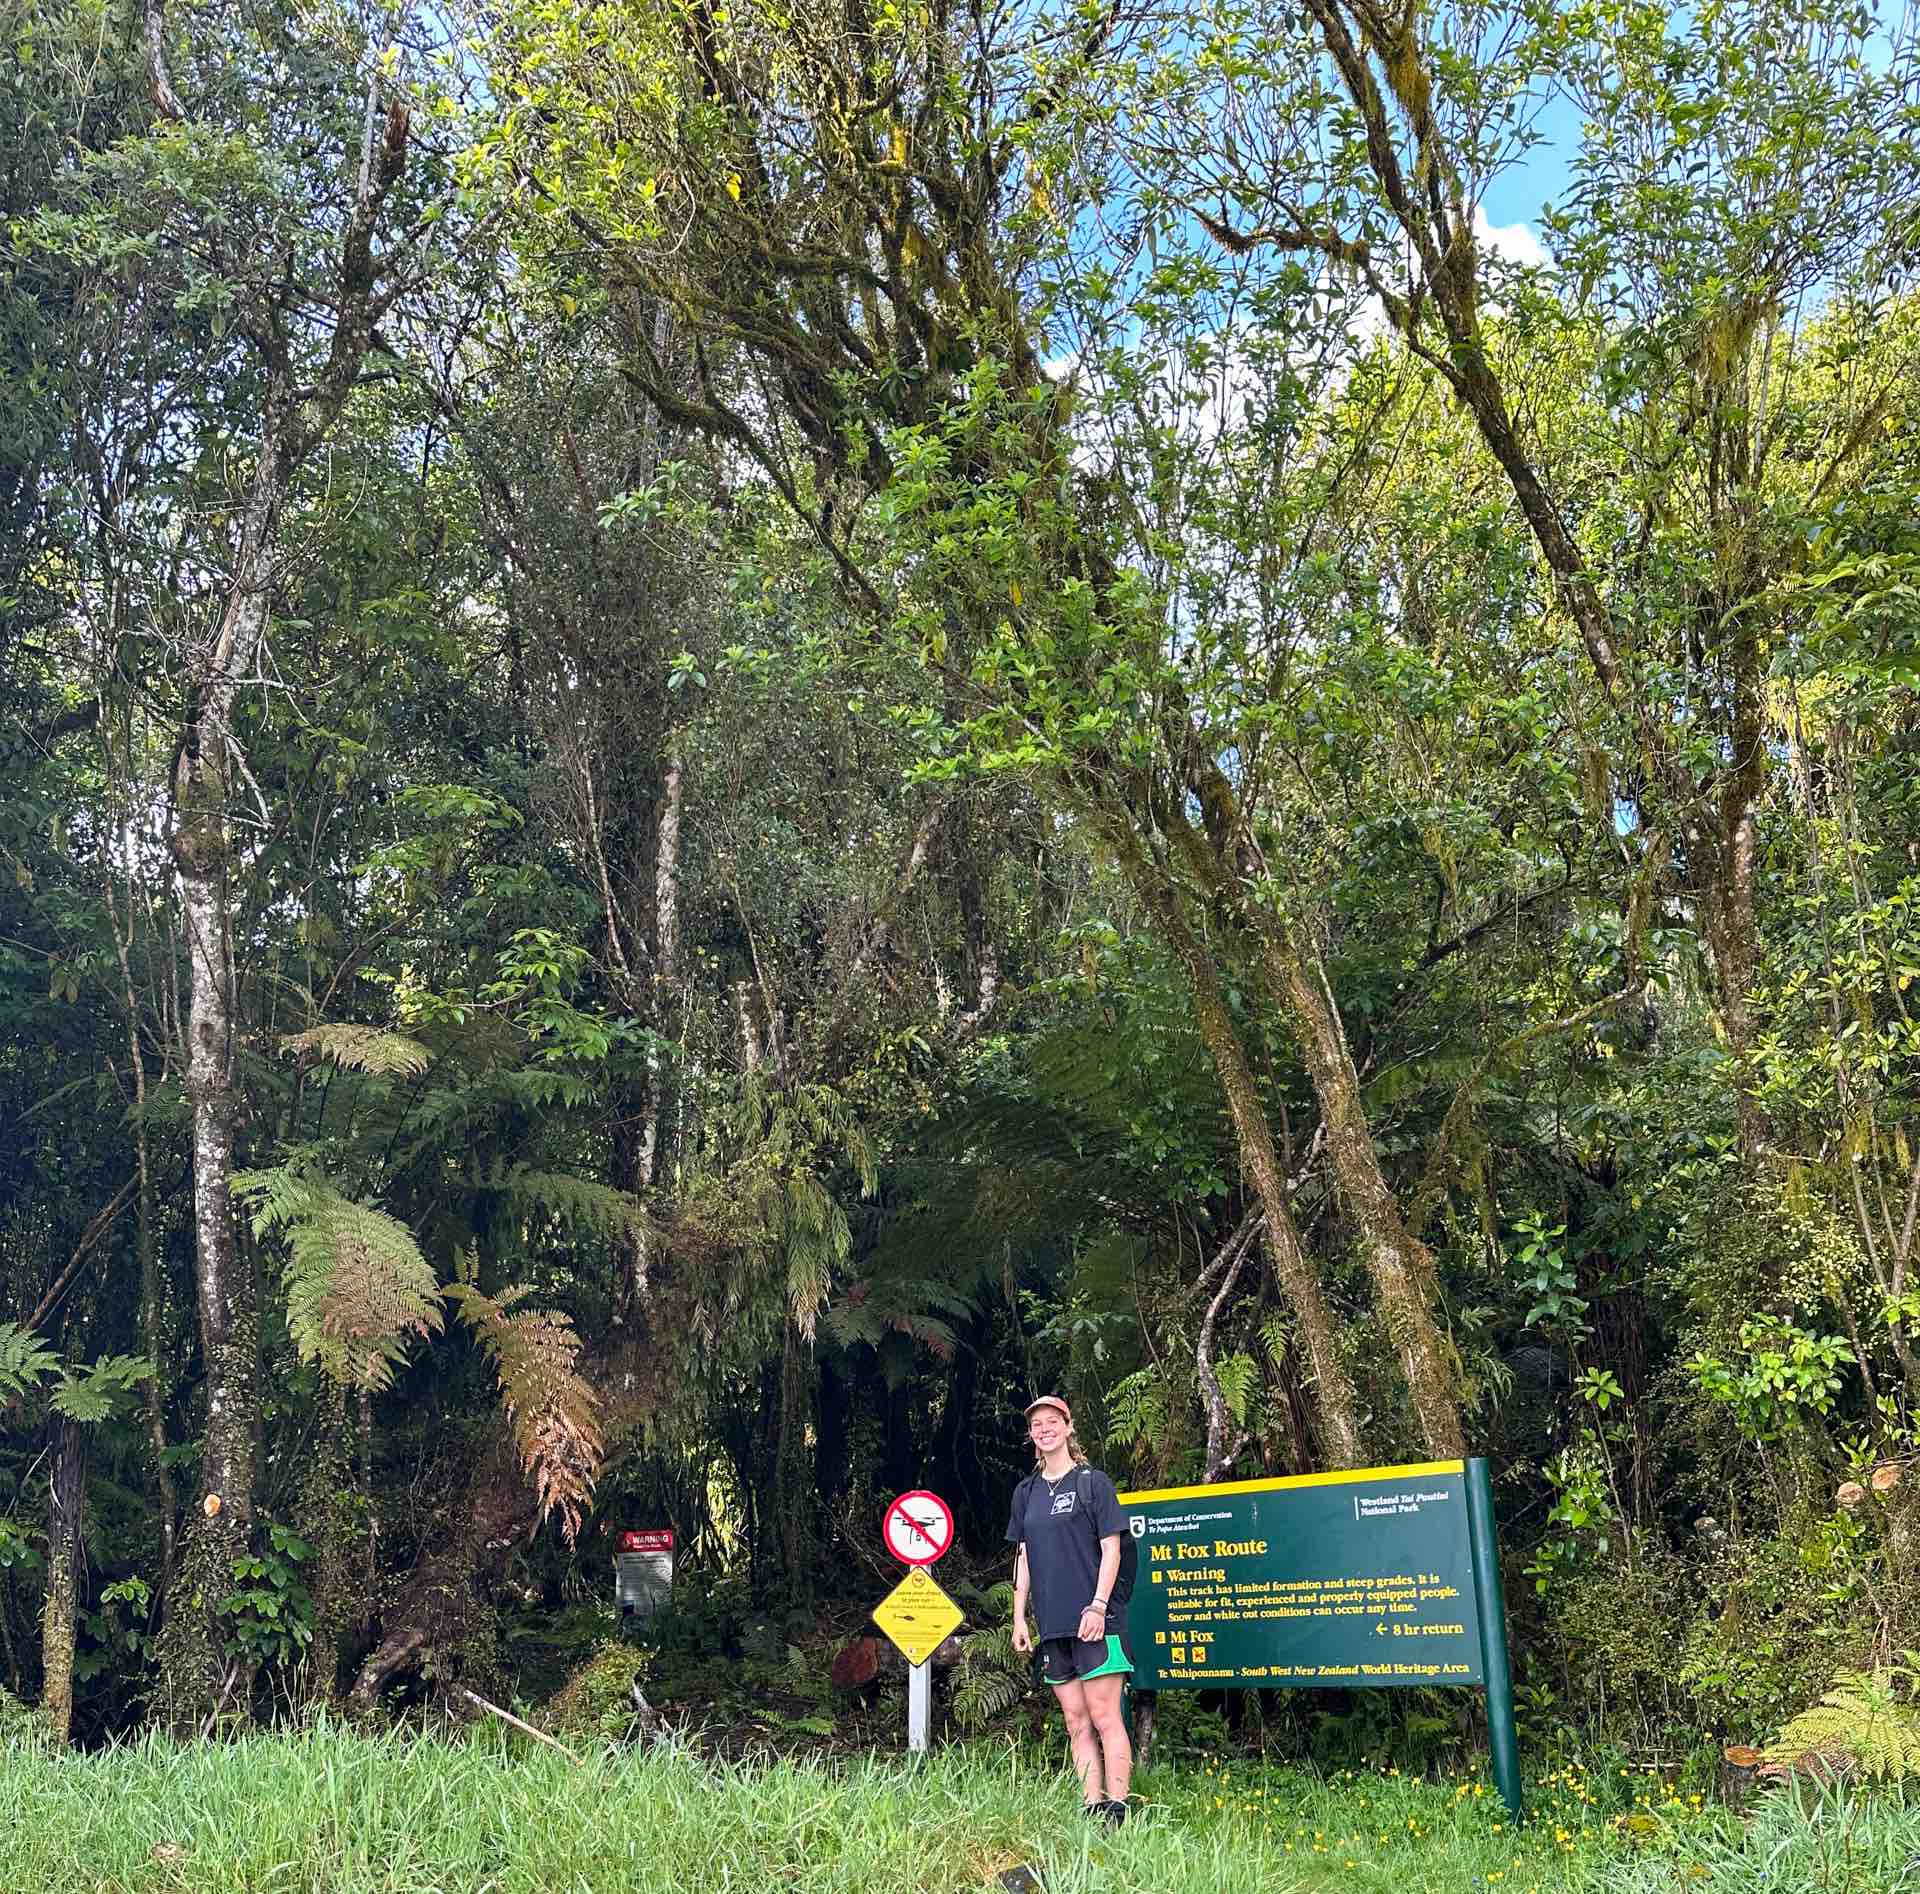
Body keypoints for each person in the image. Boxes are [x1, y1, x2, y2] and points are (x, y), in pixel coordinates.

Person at [1007, 1394, 1133, 1824]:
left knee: (1104, 1715)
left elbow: (1112, 1551)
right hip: (1053, 1624)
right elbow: (1023, 1556)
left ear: (1068, 1425)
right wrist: (1020, 1616)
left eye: (1052, 1421)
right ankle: (1090, 1806)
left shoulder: (1092, 1483)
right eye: (1036, 1424)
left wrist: (1098, 1606)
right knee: (1075, 1720)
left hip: (1096, 1620)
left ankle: (1118, 1810)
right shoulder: (1026, 1493)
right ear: (1032, 1434)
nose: (1044, 1429)